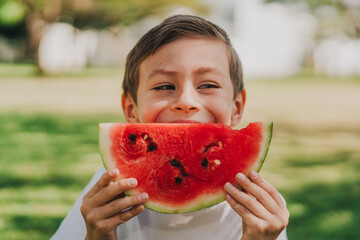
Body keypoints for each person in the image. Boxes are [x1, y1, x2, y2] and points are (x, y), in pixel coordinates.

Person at [51, 14, 289, 240]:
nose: (186, 102)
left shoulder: (259, 206)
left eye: (207, 84)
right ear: (131, 109)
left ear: (236, 107)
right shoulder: (111, 192)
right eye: (164, 86)